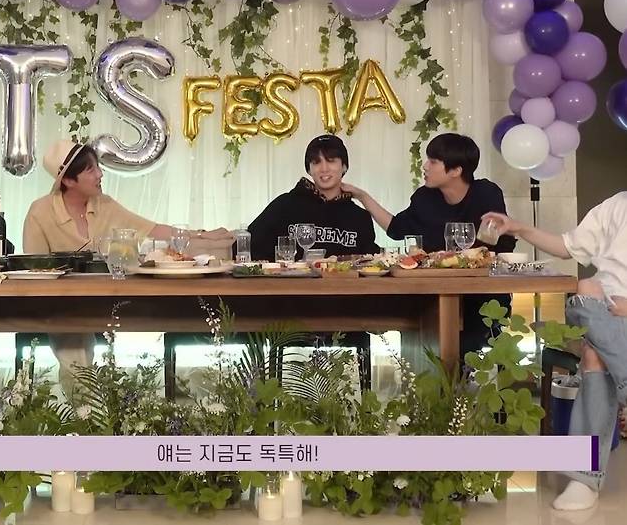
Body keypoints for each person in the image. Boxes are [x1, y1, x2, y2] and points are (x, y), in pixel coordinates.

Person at [23, 139, 232, 399]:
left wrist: (202, 234)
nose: (100, 174)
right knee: (75, 350)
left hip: (108, 298)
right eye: (90, 169)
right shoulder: (40, 212)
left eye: (98, 167)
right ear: (68, 180)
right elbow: (34, 268)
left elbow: (152, 229)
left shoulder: (105, 204)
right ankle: (88, 412)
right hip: (63, 303)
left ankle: (112, 408)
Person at [483, 193, 627, 511]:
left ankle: (584, 478)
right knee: (585, 290)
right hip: (597, 309)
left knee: (594, 355)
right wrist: (518, 227)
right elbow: (566, 246)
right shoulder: (616, 205)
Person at [342, 133, 516, 358]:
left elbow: (497, 241)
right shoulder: (424, 198)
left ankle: (464, 372)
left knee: (469, 341)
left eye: (433, 161)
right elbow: (396, 229)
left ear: (456, 170)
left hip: (481, 291)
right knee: (416, 326)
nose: (425, 166)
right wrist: (362, 196)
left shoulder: (486, 193)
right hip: (433, 291)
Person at [248, 134, 380, 261]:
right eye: (316, 162)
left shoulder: (359, 217)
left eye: (331, 161)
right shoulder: (284, 206)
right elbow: (248, 246)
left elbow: (370, 263)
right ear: (309, 170)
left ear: (344, 166)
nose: (324, 168)